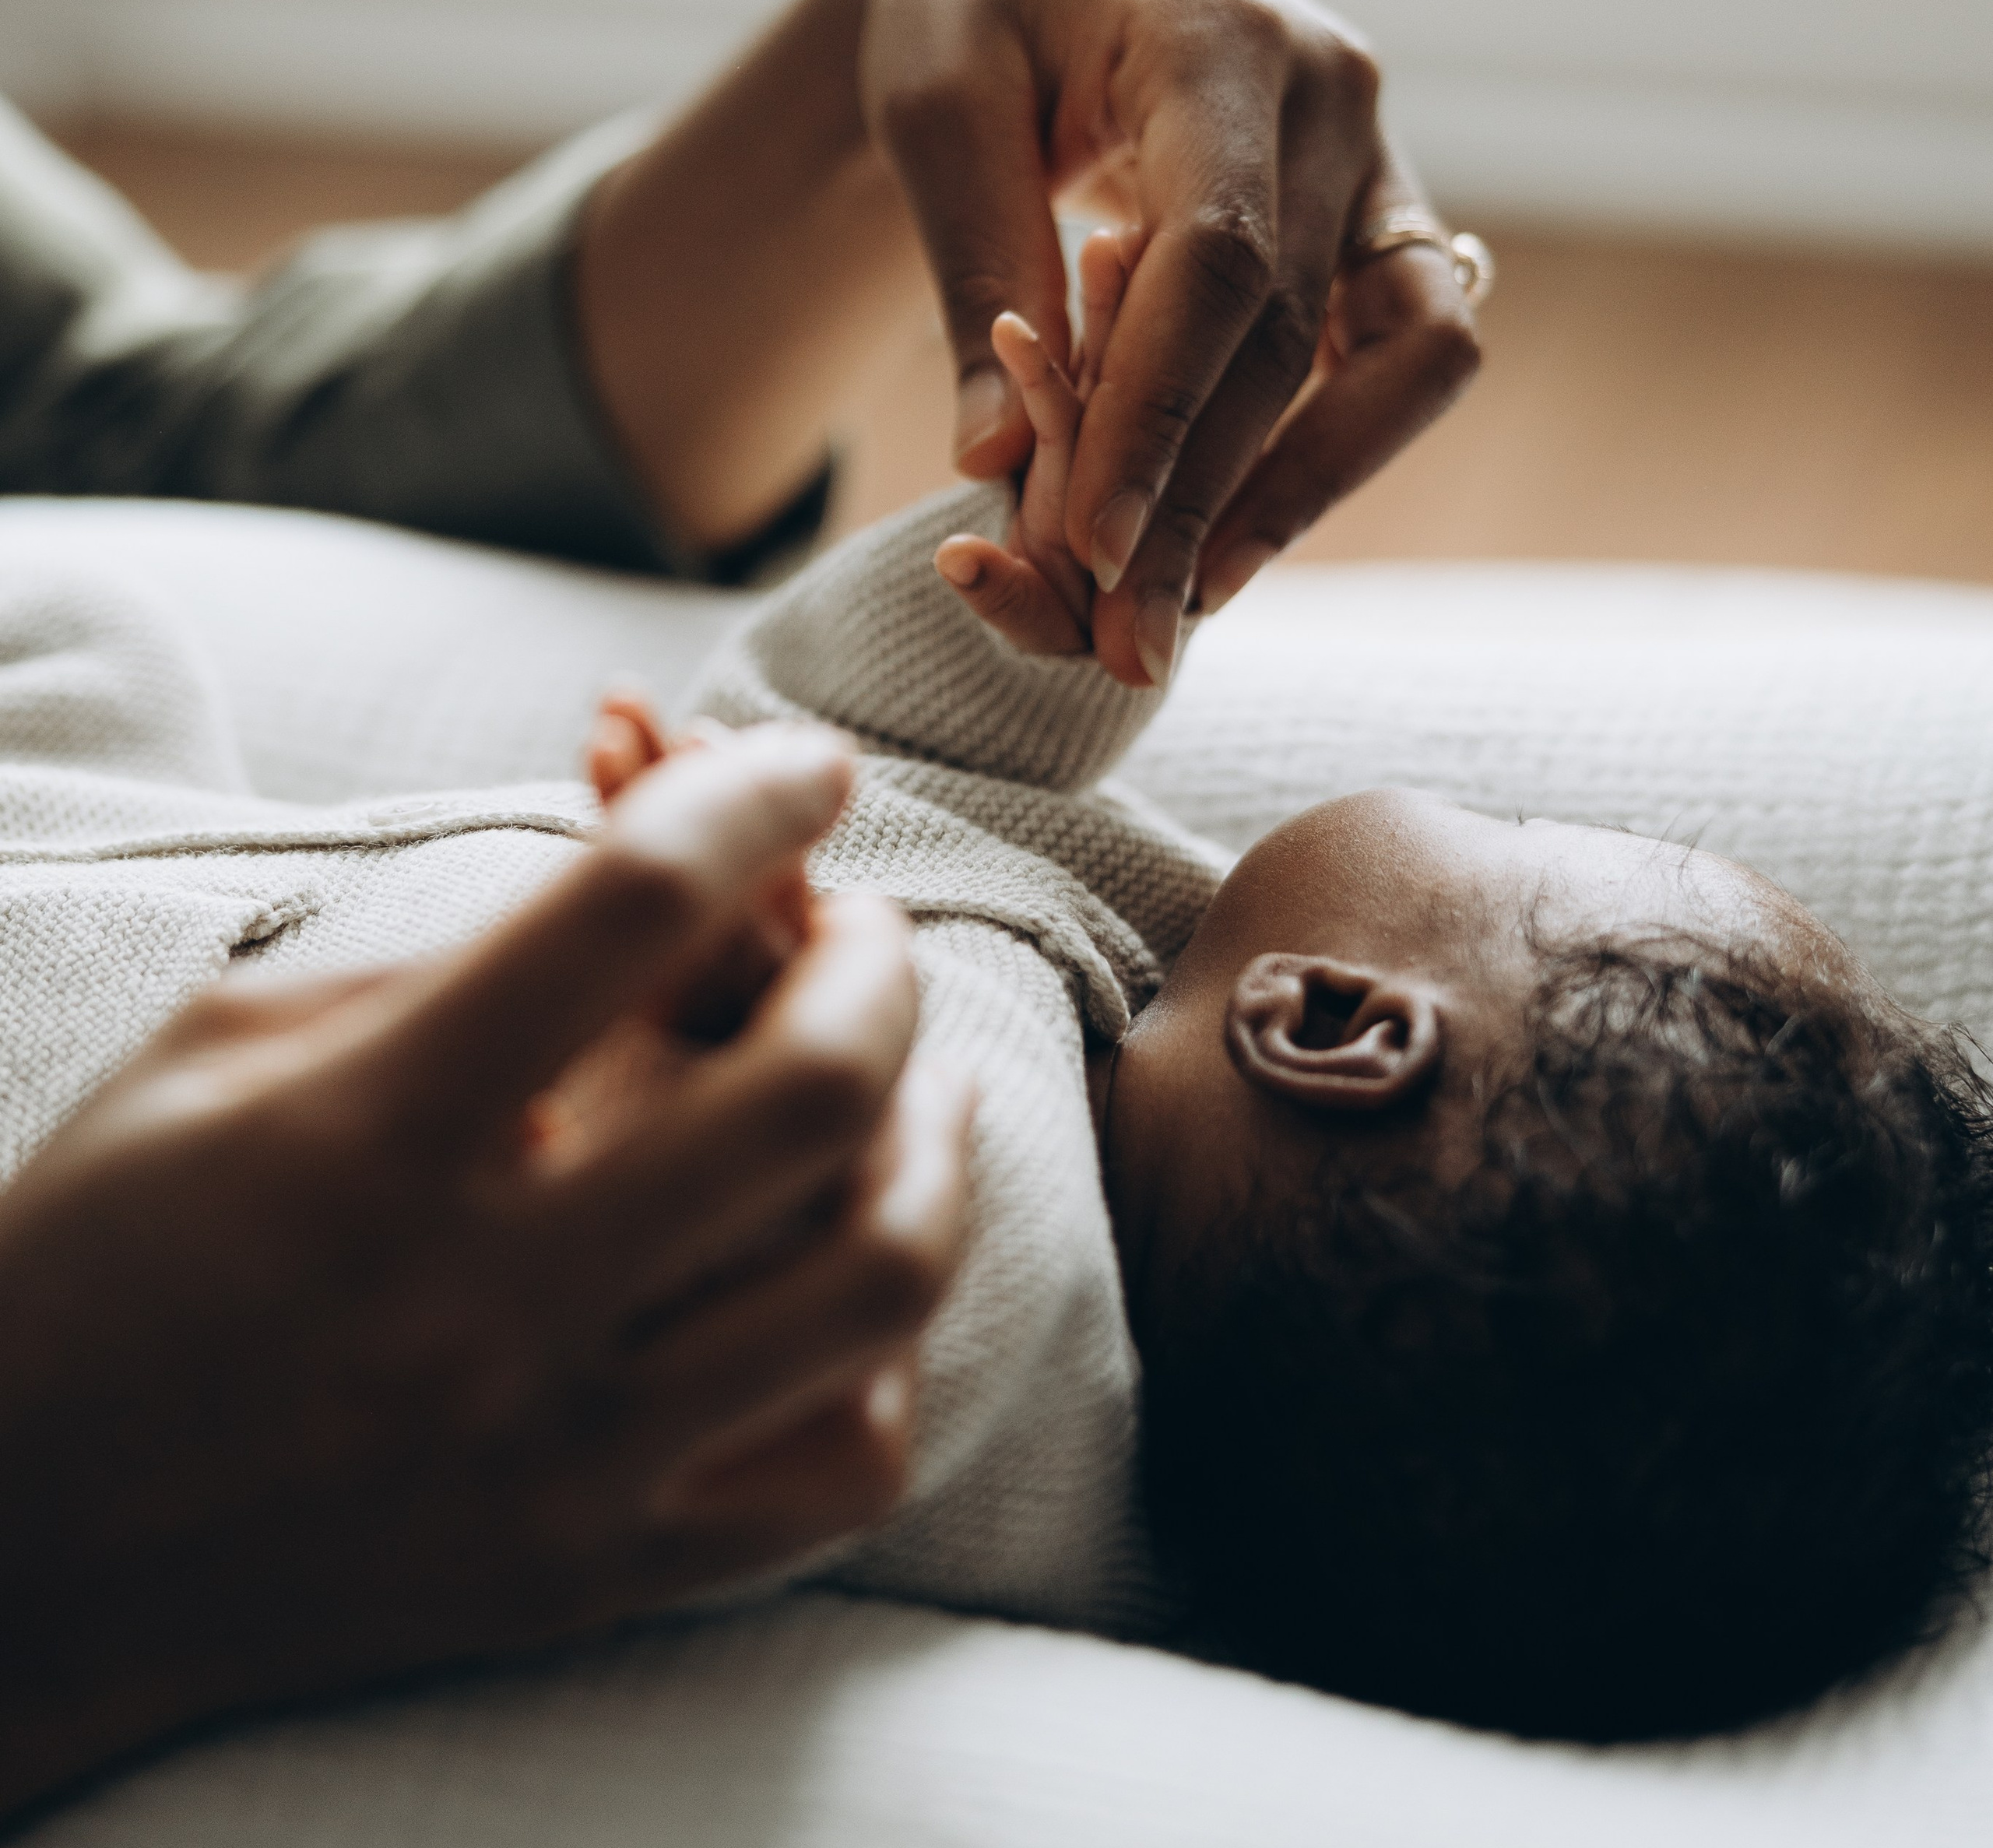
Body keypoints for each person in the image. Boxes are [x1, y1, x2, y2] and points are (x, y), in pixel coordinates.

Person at [0, 0, 1482, 1818]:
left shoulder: (1025, 1304)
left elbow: (120, 424)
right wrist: (1031, 626)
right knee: (99, 631)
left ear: (1350, 1028)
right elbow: (857, 756)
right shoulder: (1097, 1012)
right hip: (122, 896)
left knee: (93, 613)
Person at [580, 265, 1993, 1741]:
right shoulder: (1139, 1008)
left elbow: (671, 1320)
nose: (1503, 810)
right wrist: (1059, 600)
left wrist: (691, 1030)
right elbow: (821, 735)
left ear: (1331, 1023)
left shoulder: (994, 1288)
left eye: (1515, 828)